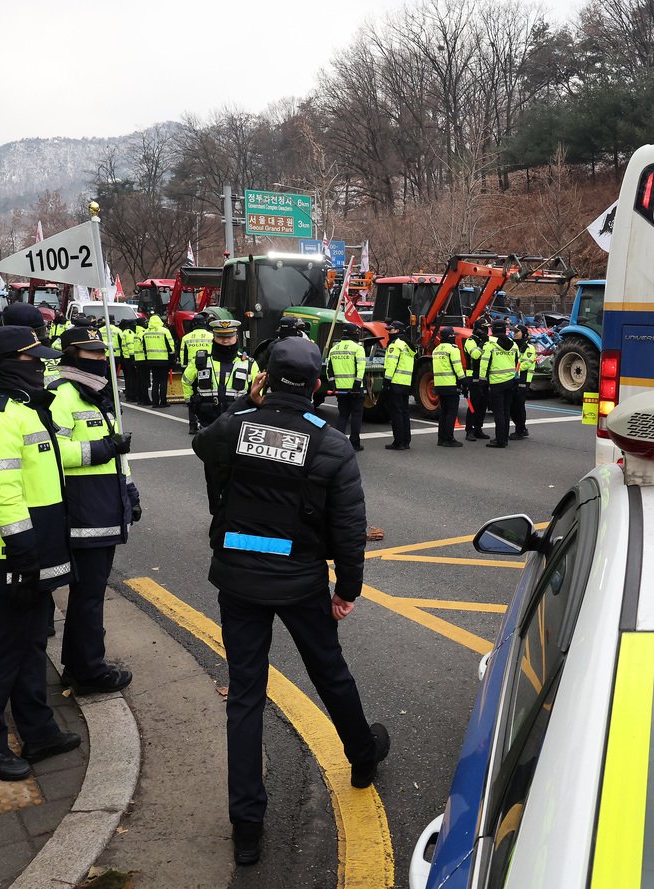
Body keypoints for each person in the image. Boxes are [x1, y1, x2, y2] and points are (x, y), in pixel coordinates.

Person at [193, 337, 389, 867]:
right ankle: (363, 757)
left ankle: (248, 827)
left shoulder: (238, 426)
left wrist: (244, 403)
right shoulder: (329, 442)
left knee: (246, 697)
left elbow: (202, 444)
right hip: (300, 579)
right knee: (330, 673)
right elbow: (348, 528)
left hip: (238, 578)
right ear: (317, 384)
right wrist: (347, 589)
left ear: (265, 379)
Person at [0, 325, 80, 782]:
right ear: (10, 365)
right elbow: (3, 492)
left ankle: (39, 730)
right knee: (3, 651)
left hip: (30, 550)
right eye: (34, 360)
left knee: (30, 644)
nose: (43, 367)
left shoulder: (24, 409)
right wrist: (23, 552)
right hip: (7, 554)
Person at [49, 326, 138, 694]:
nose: (101, 359)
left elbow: (120, 456)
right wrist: (103, 449)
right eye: (92, 354)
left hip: (104, 506)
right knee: (87, 596)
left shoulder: (98, 396)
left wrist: (129, 491)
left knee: (91, 594)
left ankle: (82, 663)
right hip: (82, 511)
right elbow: (49, 452)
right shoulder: (62, 395)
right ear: (70, 354)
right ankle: (87, 670)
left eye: (103, 353)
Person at [182, 318, 257, 432]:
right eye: (221, 337)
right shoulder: (200, 361)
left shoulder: (248, 363)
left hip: (237, 420)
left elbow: (258, 390)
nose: (225, 341)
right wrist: (191, 402)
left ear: (236, 337)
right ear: (214, 338)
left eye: (229, 337)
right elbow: (186, 381)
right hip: (208, 420)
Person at [326, 322, 366, 451]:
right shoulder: (357, 348)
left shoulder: (334, 349)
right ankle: (354, 443)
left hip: (340, 388)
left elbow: (329, 369)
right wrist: (357, 384)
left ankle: (338, 443)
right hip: (355, 389)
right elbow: (361, 368)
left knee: (343, 415)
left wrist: (333, 385)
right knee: (356, 415)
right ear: (354, 334)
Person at [482, 321, 520, 448]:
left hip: (496, 382)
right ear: (505, 330)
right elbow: (517, 363)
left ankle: (500, 440)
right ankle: (505, 439)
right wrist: (516, 378)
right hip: (510, 381)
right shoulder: (513, 344)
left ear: (493, 330)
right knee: (506, 411)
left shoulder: (490, 345)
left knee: (498, 412)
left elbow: (484, 363)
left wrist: (482, 380)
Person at [178, 313, 214, 432]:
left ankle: (192, 425)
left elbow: (183, 356)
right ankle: (207, 424)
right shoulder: (211, 336)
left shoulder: (186, 338)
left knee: (192, 398)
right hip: (208, 371)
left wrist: (184, 369)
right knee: (208, 397)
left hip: (191, 370)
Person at [431, 326, 466, 447]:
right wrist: (463, 380)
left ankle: (441, 438)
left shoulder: (436, 349)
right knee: (451, 412)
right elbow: (457, 366)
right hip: (451, 384)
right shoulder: (453, 349)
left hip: (439, 385)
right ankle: (449, 439)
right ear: (451, 336)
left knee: (444, 412)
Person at [382, 321, 413, 451]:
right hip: (406, 382)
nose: (389, 332)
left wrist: (386, 381)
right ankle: (406, 441)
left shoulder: (395, 345)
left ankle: (398, 442)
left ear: (398, 330)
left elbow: (391, 364)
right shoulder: (407, 344)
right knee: (404, 412)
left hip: (395, 382)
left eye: (391, 329)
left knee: (396, 414)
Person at [463, 318, 491, 441]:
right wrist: (482, 343)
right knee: (474, 405)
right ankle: (469, 430)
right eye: (484, 328)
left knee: (483, 404)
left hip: (484, 377)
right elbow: (475, 355)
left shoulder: (485, 340)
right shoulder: (470, 341)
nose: (486, 330)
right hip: (473, 376)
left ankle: (478, 428)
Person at [138, 314, 174, 407]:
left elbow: (143, 347)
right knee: (163, 381)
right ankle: (163, 402)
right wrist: (172, 358)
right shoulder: (165, 331)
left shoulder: (145, 332)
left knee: (155, 381)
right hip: (163, 360)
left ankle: (155, 402)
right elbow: (171, 346)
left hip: (151, 360)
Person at [511, 324, 537, 440]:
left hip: (523, 380)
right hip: (514, 379)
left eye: (517, 331)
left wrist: (510, 368)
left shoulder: (528, 347)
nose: (514, 333)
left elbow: (525, 364)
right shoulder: (513, 345)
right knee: (513, 405)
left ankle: (520, 430)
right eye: (514, 331)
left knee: (519, 406)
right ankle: (522, 428)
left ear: (524, 333)